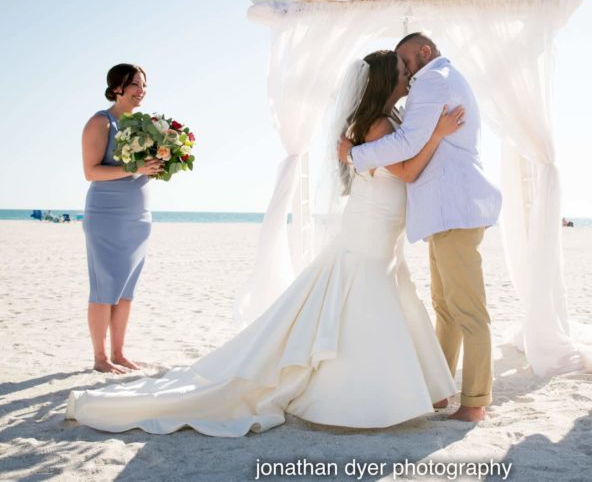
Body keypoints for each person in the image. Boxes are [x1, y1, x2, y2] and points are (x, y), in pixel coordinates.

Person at [67, 50, 463, 437]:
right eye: (401, 70)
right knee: (369, 298)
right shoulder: (378, 125)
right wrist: (439, 133)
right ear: (383, 81)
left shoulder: (388, 120)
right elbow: (407, 171)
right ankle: (371, 394)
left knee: (384, 295)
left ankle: (407, 387)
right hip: (371, 228)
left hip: (377, 226)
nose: (407, 75)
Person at [339, 33, 502, 421]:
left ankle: (475, 401)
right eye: (400, 67)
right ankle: (439, 390)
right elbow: (414, 145)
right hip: (443, 211)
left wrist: (355, 156)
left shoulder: (432, 78)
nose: (407, 73)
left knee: (467, 310)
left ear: (424, 53)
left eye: (406, 61)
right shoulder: (434, 82)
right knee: (446, 307)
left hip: (453, 209)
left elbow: (410, 143)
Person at [81, 64, 164, 374]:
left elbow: (145, 168)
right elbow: (91, 171)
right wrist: (136, 169)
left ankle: (119, 353)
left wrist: (163, 164)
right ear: (117, 87)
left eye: (144, 84)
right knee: (105, 287)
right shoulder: (100, 123)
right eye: (134, 84)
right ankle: (100, 358)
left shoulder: (145, 127)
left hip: (138, 216)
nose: (141, 90)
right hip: (106, 215)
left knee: (126, 289)